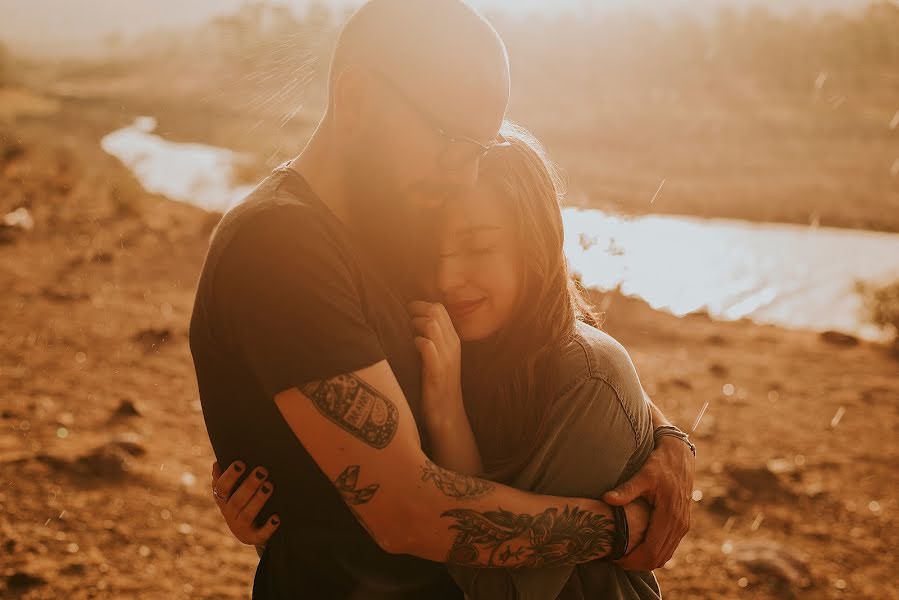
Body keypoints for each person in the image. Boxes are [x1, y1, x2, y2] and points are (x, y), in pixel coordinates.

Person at [190, 1, 695, 597]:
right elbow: (406, 509)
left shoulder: (400, 221)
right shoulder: (281, 245)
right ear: (357, 99)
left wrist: (666, 441)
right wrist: (619, 527)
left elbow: (548, 332)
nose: (463, 175)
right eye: (448, 140)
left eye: (477, 149)